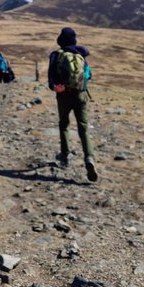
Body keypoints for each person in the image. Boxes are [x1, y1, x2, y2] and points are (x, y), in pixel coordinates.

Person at [48, 26, 98, 182]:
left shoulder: (56, 55)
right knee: (83, 127)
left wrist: (55, 86)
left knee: (64, 125)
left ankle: (65, 155)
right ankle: (89, 158)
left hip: (63, 95)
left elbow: (51, 77)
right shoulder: (81, 55)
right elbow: (88, 76)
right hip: (81, 95)